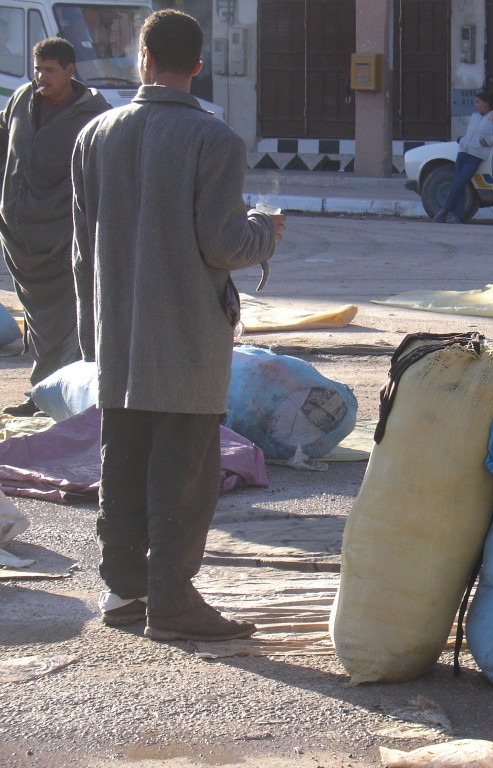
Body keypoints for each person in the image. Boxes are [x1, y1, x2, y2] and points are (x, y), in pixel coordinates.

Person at [71, 9, 285, 641]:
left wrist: (94, 335)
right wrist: (263, 233)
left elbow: (82, 248)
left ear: (143, 58)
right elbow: (223, 244)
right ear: (197, 65)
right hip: (187, 335)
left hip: (120, 335)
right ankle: (171, 602)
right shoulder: (214, 140)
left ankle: (124, 593)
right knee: (184, 473)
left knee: (124, 461)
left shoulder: (95, 134)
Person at [0, 38, 110, 416]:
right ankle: (46, 392)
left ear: (69, 71)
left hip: (64, 238)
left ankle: (50, 395)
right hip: (18, 237)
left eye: (49, 70)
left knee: (65, 320)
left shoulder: (94, 116)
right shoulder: (20, 102)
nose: (40, 78)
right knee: (36, 319)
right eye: (37, 69)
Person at [433, 91, 493, 224]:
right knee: (459, 183)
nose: (476, 105)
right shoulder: (474, 116)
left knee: (460, 182)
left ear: (486, 103)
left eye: (478, 102)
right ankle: (457, 216)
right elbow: (469, 132)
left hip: (475, 155)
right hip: (463, 151)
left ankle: (445, 210)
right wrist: (463, 140)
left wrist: (488, 140)